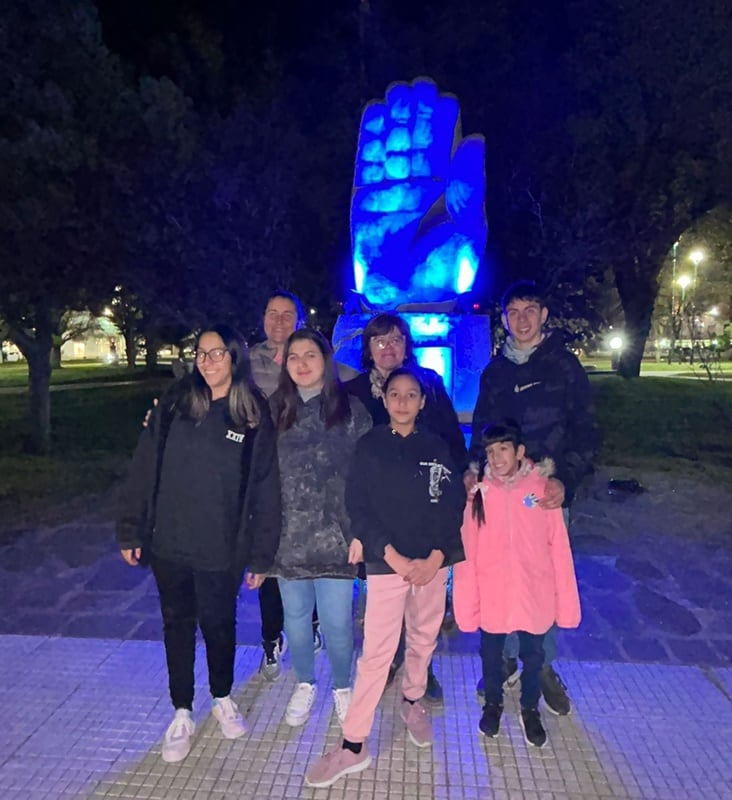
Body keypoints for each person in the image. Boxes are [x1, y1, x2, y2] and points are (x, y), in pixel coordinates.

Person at [116, 325, 280, 763]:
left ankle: (222, 696)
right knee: (177, 625)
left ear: (235, 358)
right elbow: (144, 465)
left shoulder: (251, 412)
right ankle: (182, 710)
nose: (207, 362)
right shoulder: (174, 403)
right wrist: (131, 528)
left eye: (217, 353)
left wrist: (262, 554)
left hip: (222, 548)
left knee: (218, 624)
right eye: (201, 354)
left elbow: (265, 487)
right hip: (170, 542)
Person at [305, 367, 465, 788]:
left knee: (424, 635)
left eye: (411, 395)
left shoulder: (438, 447)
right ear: (385, 398)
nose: (403, 402)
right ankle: (354, 743)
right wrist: (392, 555)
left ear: (422, 401)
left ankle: (413, 698)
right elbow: (359, 505)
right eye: (395, 394)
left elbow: (452, 504)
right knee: (376, 650)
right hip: (386, 562)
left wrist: (435, 556)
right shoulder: (371, 446)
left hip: (433, 561)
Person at [468, 280, 597, 715]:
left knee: (545, 574)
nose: (521, 319)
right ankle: (505, 657)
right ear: (504, 319)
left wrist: (566, 480)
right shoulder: (496, 371)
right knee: (499, 569)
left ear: (544, 315)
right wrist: (474, 470)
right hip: (501, 491)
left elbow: (584, 430)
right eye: (513, 312)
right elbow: (483, 427)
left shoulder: (564, 366)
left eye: (530, 310)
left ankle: (540, 663)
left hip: (546, 490)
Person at [345, 312, 466, 703]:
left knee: (423, 605)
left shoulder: (427, 383)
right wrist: (358, 531)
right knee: (382, 603)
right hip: (378, 521)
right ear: (368, 347)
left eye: (396, 339)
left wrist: (461, 481)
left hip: (421, 515)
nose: (388, 347)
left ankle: (420, 670)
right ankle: (386, 662)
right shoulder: (354, 391)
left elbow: (450, 440)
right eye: (379, 340)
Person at [251, 290, 358, 680]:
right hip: (279, 502)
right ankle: (276, 644)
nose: (278, 321)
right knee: (277, 587)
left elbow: (351, 385)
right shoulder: (248, 367)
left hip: (327, 517)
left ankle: (336, 676)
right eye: (271, 313)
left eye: (287, 314)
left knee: (329, 612)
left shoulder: (340, 389)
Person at [454, 421, 581, 748]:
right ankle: (493, 703)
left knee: (533, 654)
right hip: (493, 592)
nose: (496, 458)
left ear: (520, 452)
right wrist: (468, 601)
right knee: (491, 653)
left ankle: (529, 708)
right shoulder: (478, 494)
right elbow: (468, 549)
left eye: (504, 449)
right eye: (490, 451)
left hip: (533, 592)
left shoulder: (542, 491)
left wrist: (562, 599)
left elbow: (558, 547)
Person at [269, 328, 372, 728]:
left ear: (325, 360)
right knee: (295, 619)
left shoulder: (352, 410)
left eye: (310, 355)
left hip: (337, 536)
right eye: (294, 356)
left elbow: (367, 475)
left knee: (337, 622)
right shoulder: (273, 409)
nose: (302, 363)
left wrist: (361, 530)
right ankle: (306, 682)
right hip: (287, 534)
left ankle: (343, 687)